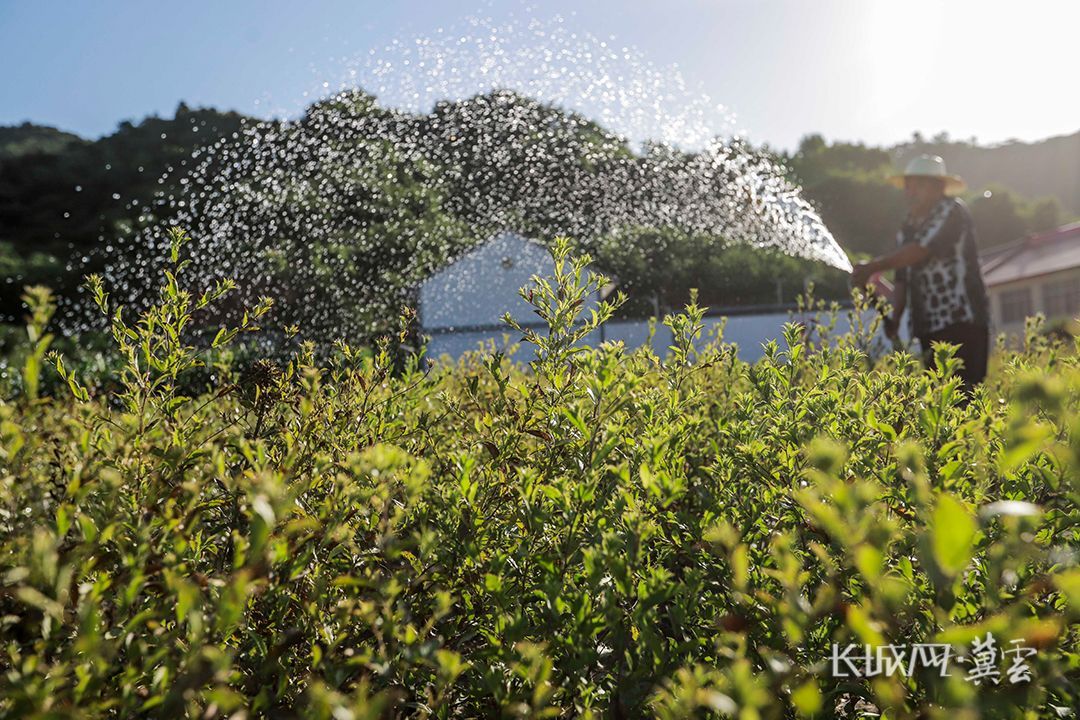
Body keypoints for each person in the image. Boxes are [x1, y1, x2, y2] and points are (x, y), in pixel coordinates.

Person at [851, 155, 990, 390]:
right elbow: (902, 278)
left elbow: (918, 251)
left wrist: (872, 267)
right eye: (908, 186)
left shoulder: (951, 211)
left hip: (963, 320)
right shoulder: (908, 225)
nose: (910, 192)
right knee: (939, 396)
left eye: (918, 185)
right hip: (928, 327)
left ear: (938, 187)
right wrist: (895, 318)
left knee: (966, 393)